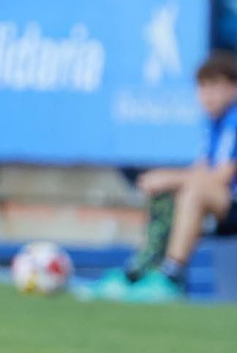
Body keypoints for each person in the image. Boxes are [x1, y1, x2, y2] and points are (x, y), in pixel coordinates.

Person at [86, 52, 237, 303]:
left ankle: (171, 275)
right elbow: (201, 168)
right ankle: (143, 268)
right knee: (171, 191)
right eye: (201, 88)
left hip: (230, 202)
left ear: (233, 88)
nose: (206, 96)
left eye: (214, 87)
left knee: (193, 192)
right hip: (224, 204)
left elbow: (220, 176)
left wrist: (170, 177)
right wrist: (169, 181)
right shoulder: (214, 124)